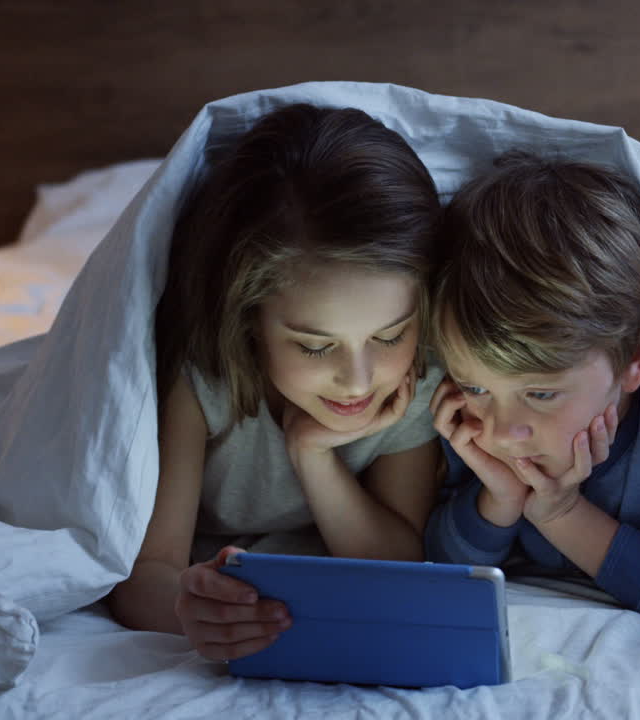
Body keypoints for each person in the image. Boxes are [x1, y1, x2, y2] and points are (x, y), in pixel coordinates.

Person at [107, 104, 445, 661]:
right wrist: (188, 615)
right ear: (250, 319)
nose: (358, 379)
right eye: (315, 344)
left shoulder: (410, 377)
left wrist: (312, 452)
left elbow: (397, 565)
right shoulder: (201, 379)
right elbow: (145, 572)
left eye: (389, 335)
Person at [425, 152, 640, 630]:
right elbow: (433, 575)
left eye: (541, 394)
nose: (504, 433)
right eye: (476, 386)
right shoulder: (468, 421)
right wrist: (499, 499)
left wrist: (564, 514)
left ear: (635, 358)